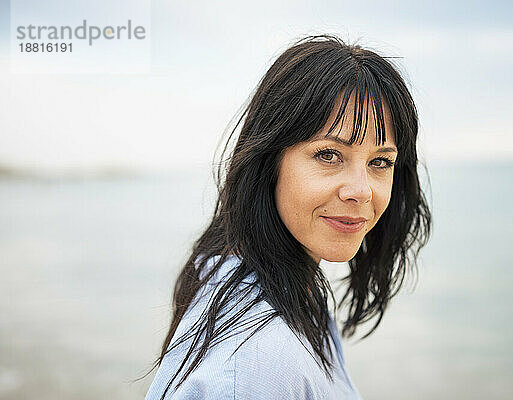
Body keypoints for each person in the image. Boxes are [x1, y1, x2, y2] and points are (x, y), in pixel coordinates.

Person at [142, 34, 431, 400]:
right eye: (329, 155)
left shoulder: (261, 279)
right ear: (269, 160)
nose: (361, 190)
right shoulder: (256, 362)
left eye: (380, 162)